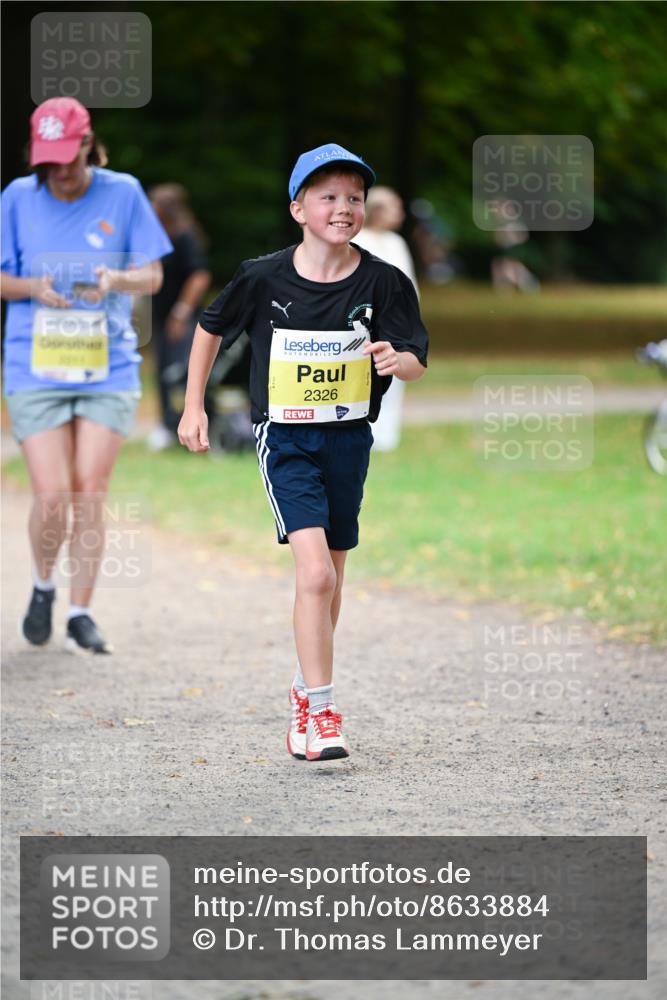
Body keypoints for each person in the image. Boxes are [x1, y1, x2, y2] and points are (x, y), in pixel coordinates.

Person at [178, 142, 428, 761]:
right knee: (313, 572)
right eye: (328, 197)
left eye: (354, 198)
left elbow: (417, 356)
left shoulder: (384, 280)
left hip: (349, 439)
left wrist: (401, 362)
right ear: (298, 208)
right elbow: (210, 328)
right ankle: (320, 711)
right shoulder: (264, 276)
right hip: (285, 439)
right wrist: (193, 405)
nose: (343, 208)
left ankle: (301, 688)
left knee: (333, 578)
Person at [1, 97, 172, 653]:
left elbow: (151, 276)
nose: (59, 173)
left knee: (90, 492)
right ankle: (43, 586)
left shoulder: (122, 192)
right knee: (51, 496)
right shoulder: (16, 199)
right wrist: (34, 288)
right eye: (47, 162)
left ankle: (80, 612)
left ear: (86, 143)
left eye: (68, 159)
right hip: (35, 364)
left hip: (108, 365)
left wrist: (113, 280)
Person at [354, 186, 419, 451]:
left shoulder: (396, 242)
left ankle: (387, 437)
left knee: (394, 373)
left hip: (398, 322)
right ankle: (364, 429)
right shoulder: (360, 240)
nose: (400, 214)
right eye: (395, 207)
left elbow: (409, 284)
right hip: (367, 322)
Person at [147, 184, 211, 450]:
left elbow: (199, 276)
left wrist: (181, 312)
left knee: (178, 371)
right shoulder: (161, 235)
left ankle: (185, 426)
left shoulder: (185, 236)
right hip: (161, 318)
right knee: (162, 370)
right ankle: (167, 425)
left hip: (180, 320)